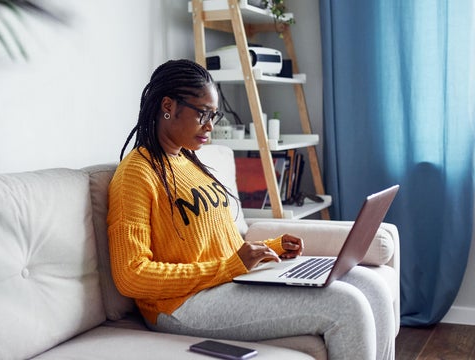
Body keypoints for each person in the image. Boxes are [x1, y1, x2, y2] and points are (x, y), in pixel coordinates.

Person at [106, 59, 395, 360]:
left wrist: (271, 248)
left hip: (224, 283)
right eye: (202, 114)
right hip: (180, 305)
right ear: (168, 106)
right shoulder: (137, 174)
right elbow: (131, 275)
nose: (209, 126)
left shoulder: (191, 162)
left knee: (372, 285)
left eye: (214, 116)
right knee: (346, 304)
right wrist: (229, 268)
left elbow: (224, 247)